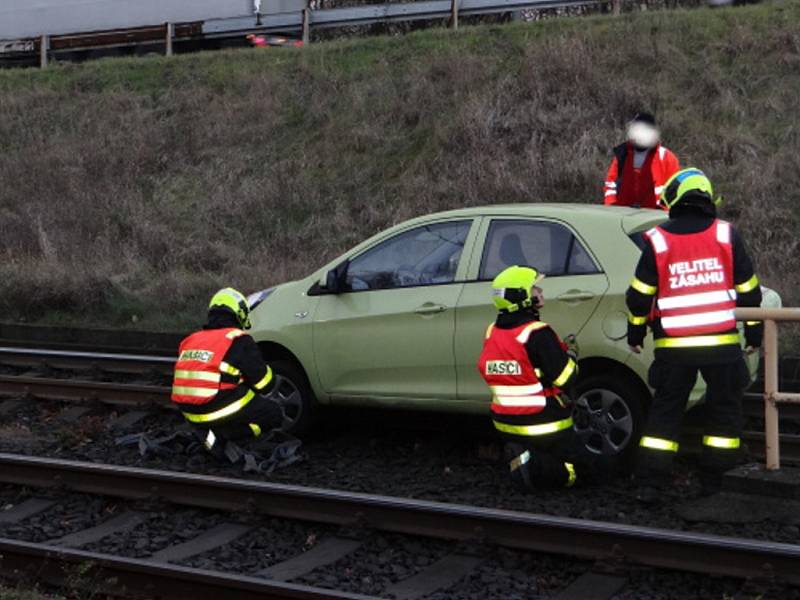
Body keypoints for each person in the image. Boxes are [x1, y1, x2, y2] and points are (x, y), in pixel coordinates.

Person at [626, 168, 763, 490]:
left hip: (674, 348)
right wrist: (754, 334)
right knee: (725, 410)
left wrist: (635, 334)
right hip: (722, 345)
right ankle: (716, 480)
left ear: (675, 197)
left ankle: (650, 483)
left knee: (665, 413)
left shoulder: (658, 239)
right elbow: (749, 291)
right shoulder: (725, 234)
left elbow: (639, 296)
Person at [477, 265, 589, 490]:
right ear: (523, 297)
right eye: (534, 288)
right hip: (541, 422)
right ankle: (531, 465)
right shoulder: (537, 332)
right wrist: (572, 355)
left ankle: (523, 456)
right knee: (584, 471)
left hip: (504, 422)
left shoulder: (493, 331)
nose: (540, 291)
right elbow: (566, 378)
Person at [171, 287, 287, 459]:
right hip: (214, 408)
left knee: (233, 395)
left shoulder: (191, 339)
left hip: (189, 412)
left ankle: (209, 438)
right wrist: (268, 370)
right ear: (240, 314)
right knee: (274, 414)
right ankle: (227, 436)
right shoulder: (239, 339)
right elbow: (264, 384)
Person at [603, 112, 680, 209]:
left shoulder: (667, 158)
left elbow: (675, 192)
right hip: (622, 216)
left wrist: (664, 215)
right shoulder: (622, 154)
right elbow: (610, 185)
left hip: (655, 217)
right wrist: (612, 208)